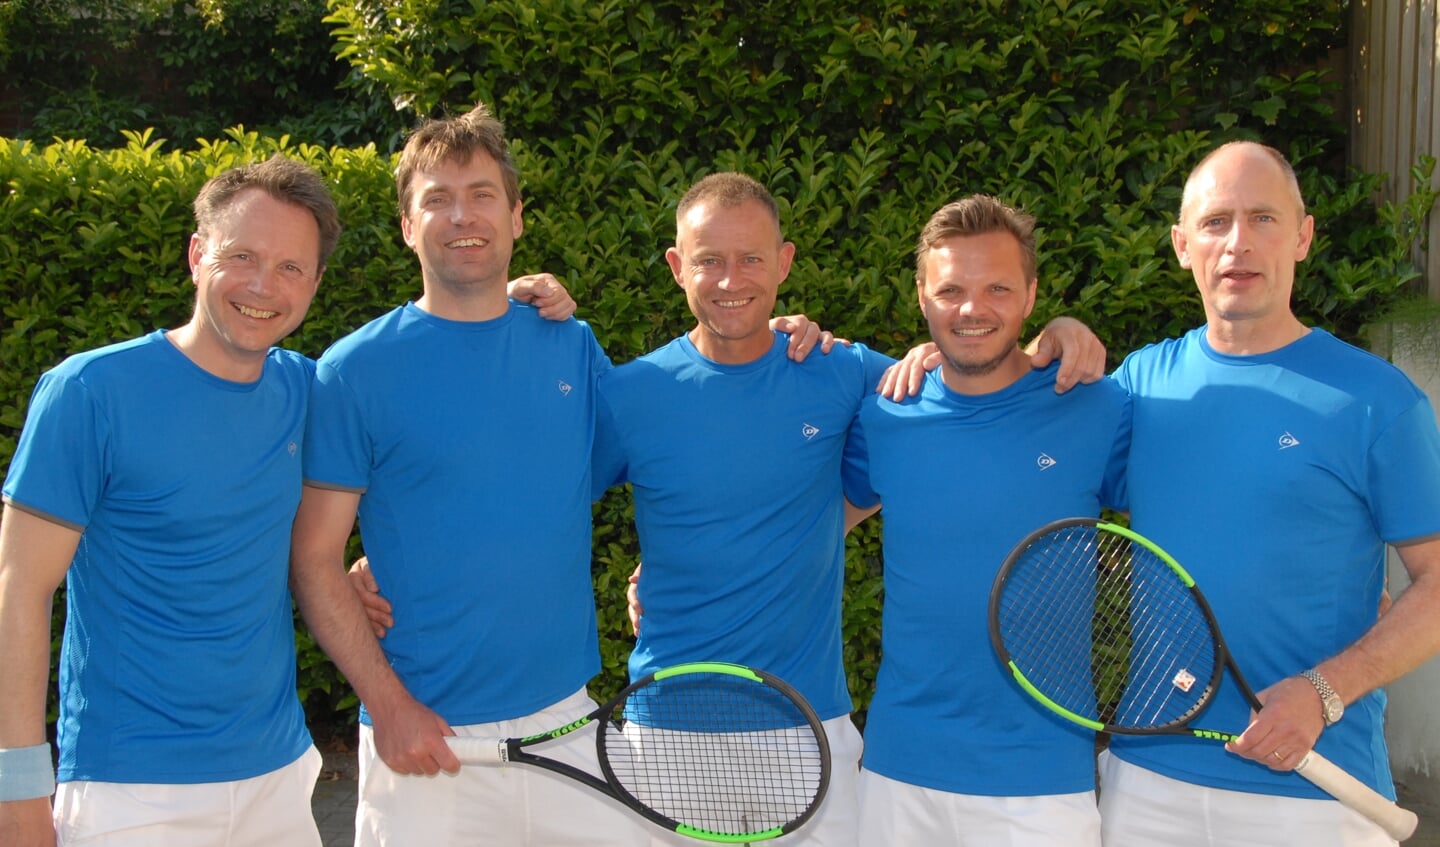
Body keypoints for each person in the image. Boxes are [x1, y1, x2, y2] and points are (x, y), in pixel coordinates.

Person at [594, 173, 1108, 846]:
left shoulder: (842, 371)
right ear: (675, 266)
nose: (731, 279)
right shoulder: (631, 393)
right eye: (709, 259)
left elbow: (958, 381)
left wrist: (1063, 332)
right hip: (667, 730)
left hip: (812, 729)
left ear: (784, 262)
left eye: (752, 257)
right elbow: (540, 506)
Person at [1095, 141, 1440, 846]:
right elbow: (1013, 441)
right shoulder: (1138, 386)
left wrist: (1324, 691)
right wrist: (981, 351)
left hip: (1318, 785)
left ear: (1304, 236)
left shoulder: (1376, 399)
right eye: (1216, 221)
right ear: (1181, 245)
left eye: (1263, 218)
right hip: (1149, 777)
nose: (1238, 244)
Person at [0, 156, 339, 847]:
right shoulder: (90, 392)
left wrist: (506, 300)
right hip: (130, 792)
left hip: (279, 779)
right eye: (241, 255)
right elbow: (18, 591)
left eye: (289, 267)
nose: (262, 285)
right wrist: (17, 792)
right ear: (196, 254)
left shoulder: (310, 392)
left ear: (315, 283)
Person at [840, 194, 1130, 845]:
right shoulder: (887, 414)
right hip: (899, 772)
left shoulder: (1095, 406)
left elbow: (1190, 513)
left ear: (1030, 295)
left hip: (1043, 782)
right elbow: (813, 530)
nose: (972, 309)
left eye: (998, 287)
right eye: (951, 289)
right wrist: (673, 575)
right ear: (921, 295)